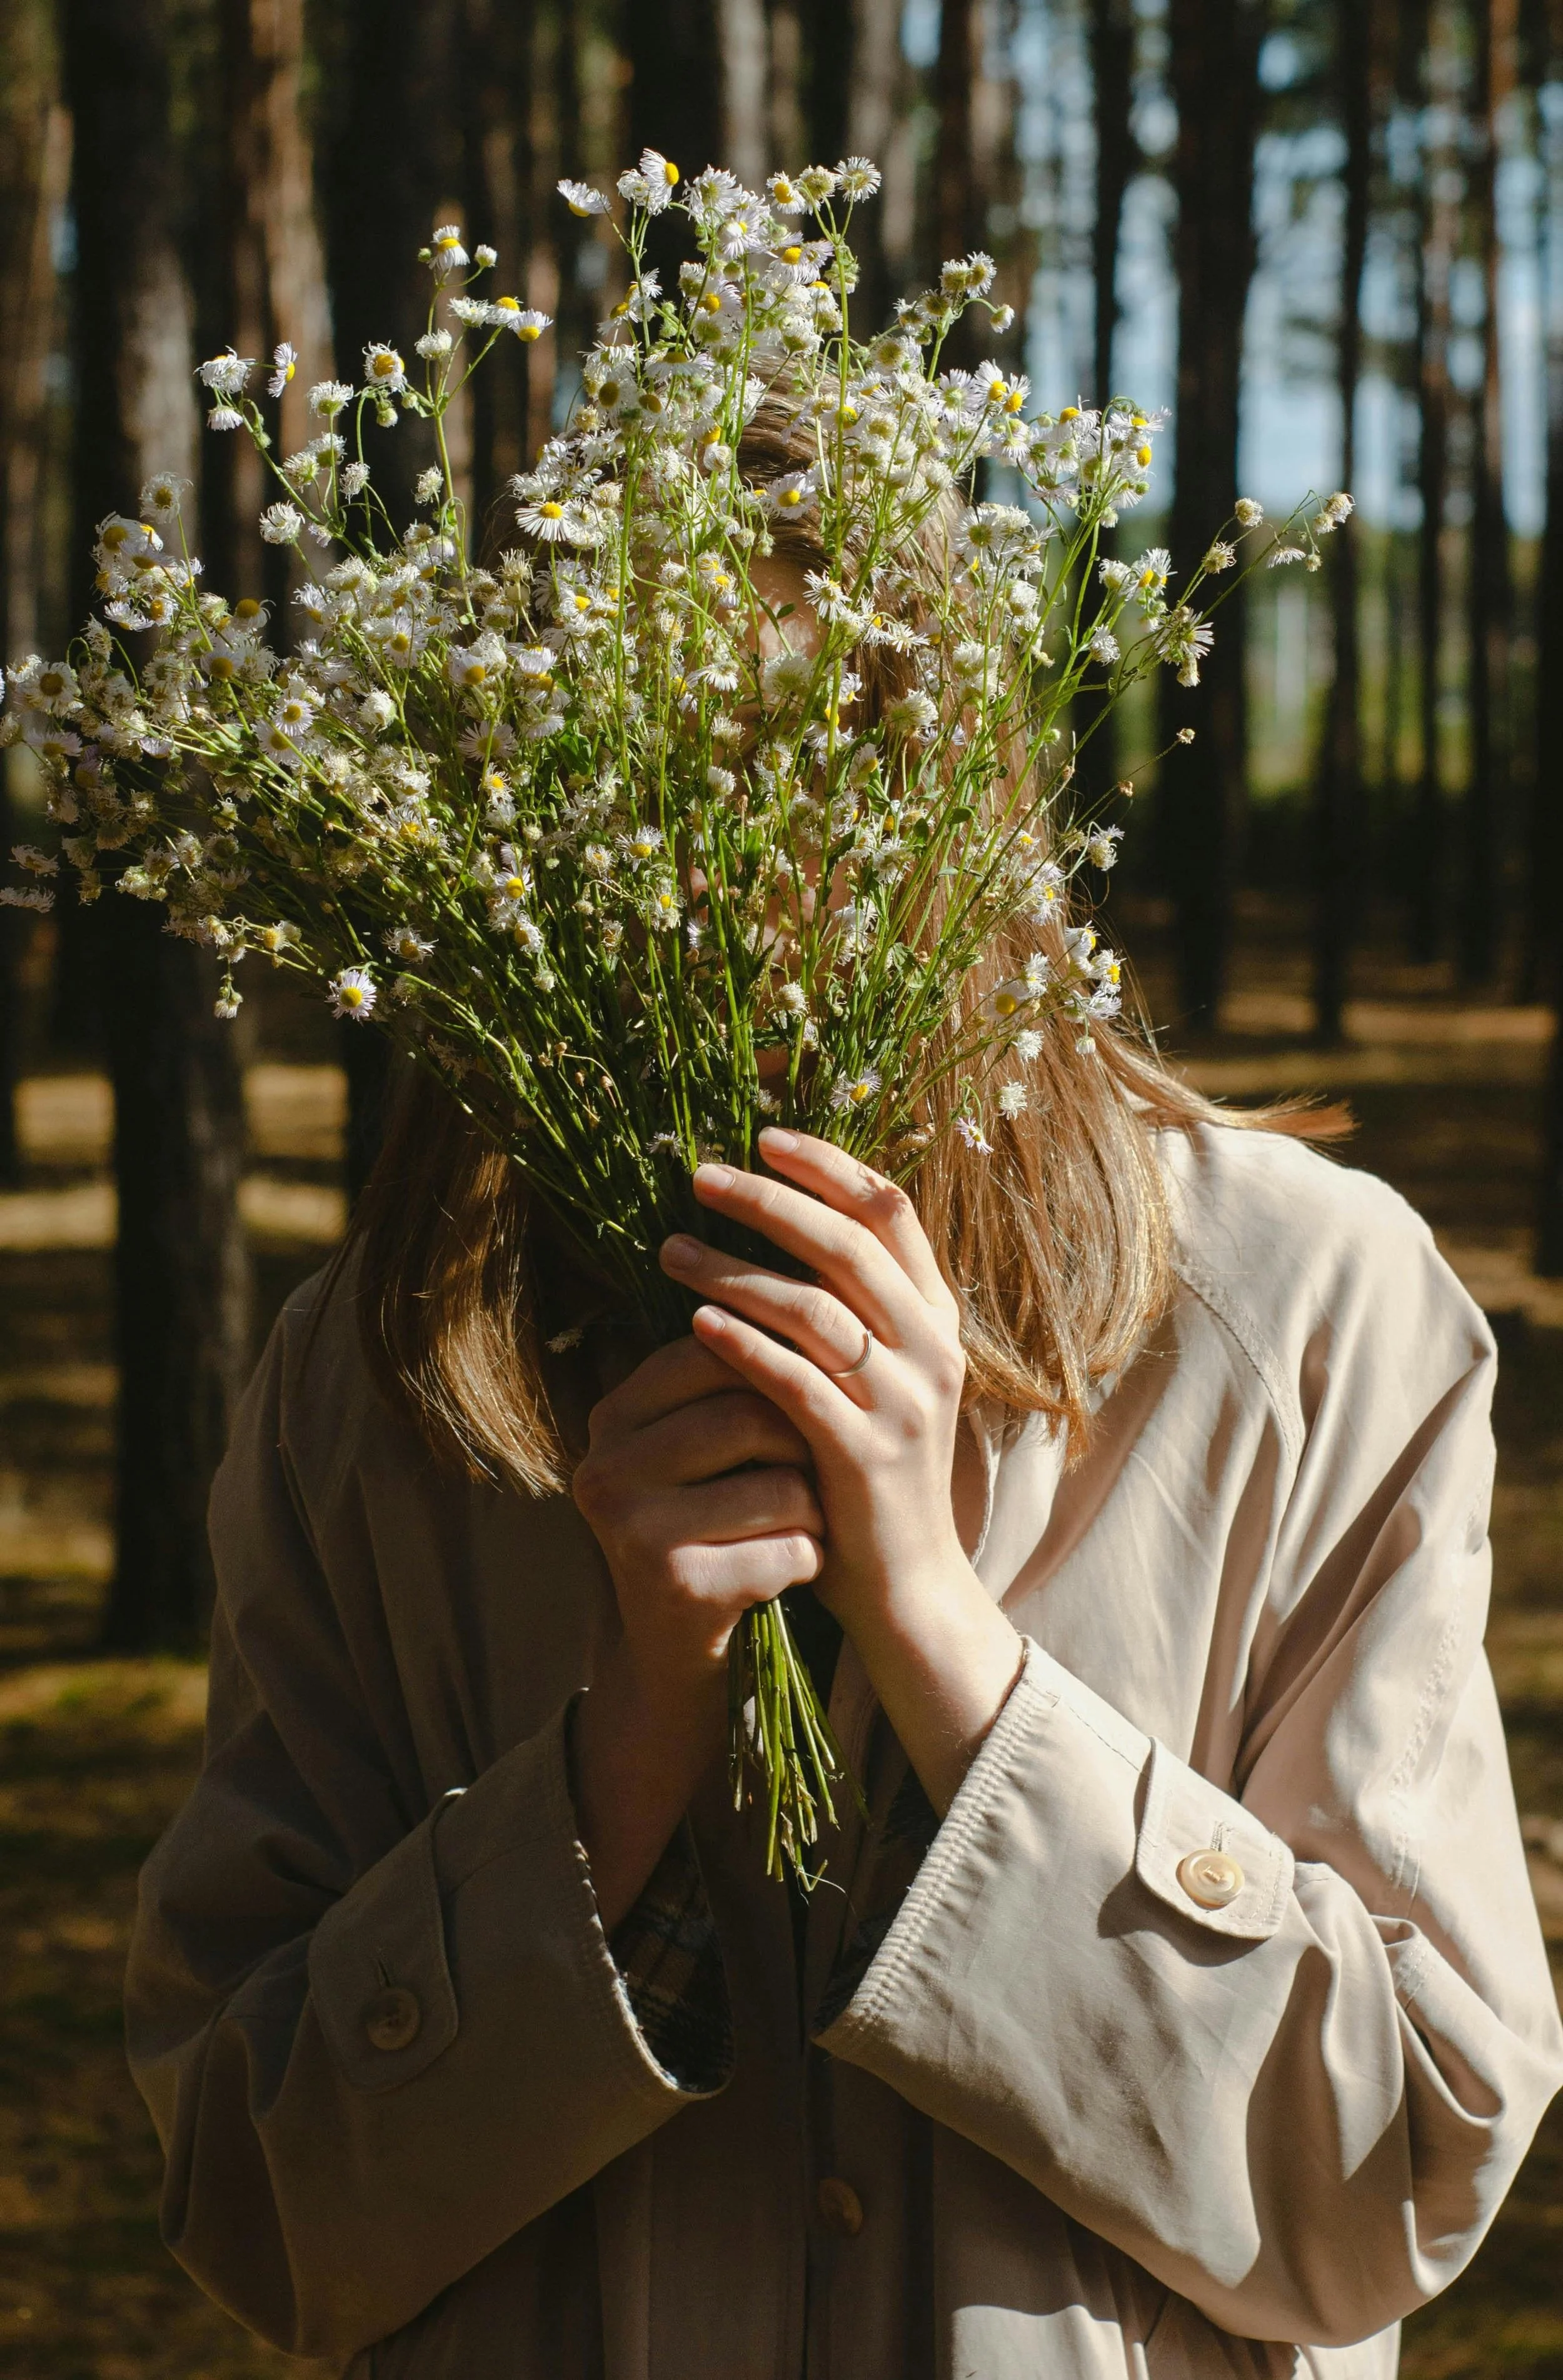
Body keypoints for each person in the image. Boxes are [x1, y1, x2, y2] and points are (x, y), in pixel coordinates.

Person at [125, 473, 1561, 2378]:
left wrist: (949, 1649)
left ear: (954, 772)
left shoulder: (1304, 1313)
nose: (720, 855)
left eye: (812, 748)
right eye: (622, 762)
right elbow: (260, 2208)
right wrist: (624, 1751)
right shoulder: (386, 1371)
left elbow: (1393, 2181)